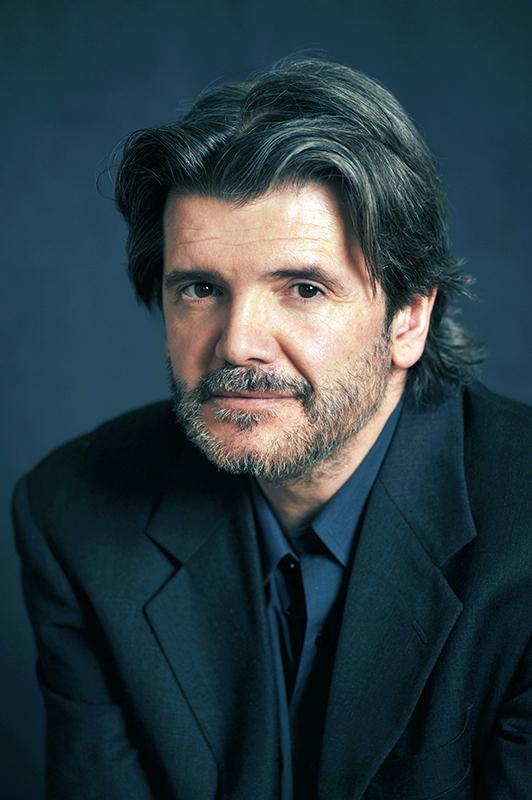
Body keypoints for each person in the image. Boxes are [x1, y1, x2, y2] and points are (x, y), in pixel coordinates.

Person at [13, 56, 531, 800]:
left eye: (303, 288)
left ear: (409, 318)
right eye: (201, 288)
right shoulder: (76, 516)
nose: (237, 344)